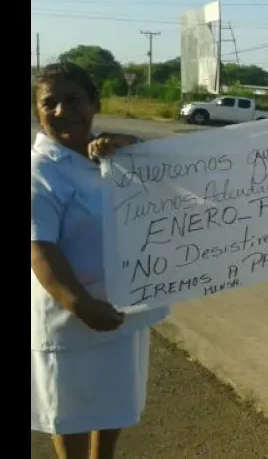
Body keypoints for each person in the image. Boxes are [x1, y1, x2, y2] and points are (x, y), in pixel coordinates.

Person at [31, 62, 169, 459]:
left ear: (93, 103)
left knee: (114, 402)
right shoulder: (41, 170)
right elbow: (40, 249)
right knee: (70, 411)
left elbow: (175, 173)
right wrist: (80, 304)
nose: (61, 110)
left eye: (72, 99)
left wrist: (128, 144)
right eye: (49, 103)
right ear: (37, 113)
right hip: (71, 316)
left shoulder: (114, 155)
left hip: (121, 309)